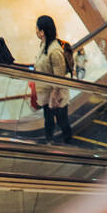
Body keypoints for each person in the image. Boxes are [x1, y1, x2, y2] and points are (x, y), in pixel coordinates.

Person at [34, 15, 73, 144]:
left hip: (56, 95)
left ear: (42, 32)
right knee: (48, 120)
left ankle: (68, 141)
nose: (35, 31)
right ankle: (49, 141)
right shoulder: (44, 44)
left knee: (62, 121)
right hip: (46, 93)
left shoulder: (54, 51)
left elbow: (59, 77)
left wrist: (54, 96)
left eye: (37, 29)